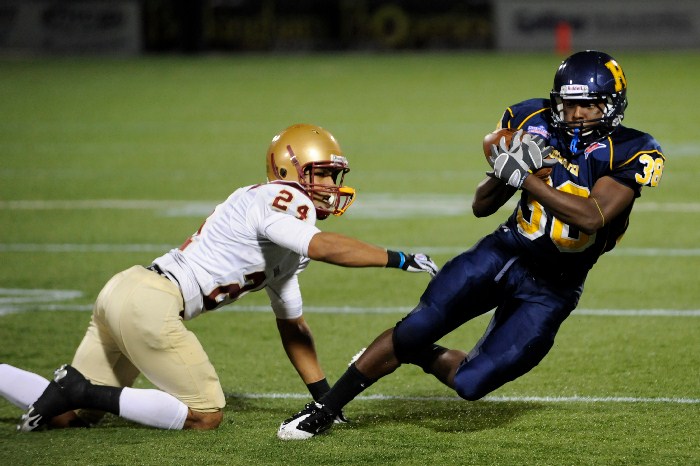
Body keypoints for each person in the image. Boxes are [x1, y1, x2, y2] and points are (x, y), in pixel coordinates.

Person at [277, 50, 666, 440]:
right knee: (416, 326)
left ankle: (416, 354)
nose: (577, 114)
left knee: (472, 383)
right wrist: (505, 171)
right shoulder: (532, 120)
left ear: (611, 105)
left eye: (588, 104)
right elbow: (481, 206)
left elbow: (592, 215)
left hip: (555, 287)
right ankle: (325, 409)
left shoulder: (633, 149)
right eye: (569, 104)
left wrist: (526, 179)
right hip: (506, 252)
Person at [1, 123, 437, 432]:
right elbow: (322, 247)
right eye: (320, 173)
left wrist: (325, 397)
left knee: (65, 418)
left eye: (331, 174)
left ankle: (73, 392)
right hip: (152, 304)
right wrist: (397, 258)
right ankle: (81, 388)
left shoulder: (284, 244)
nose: (328, 184)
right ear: (288, 171)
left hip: (125, 292)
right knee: (205, 414)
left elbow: (293, 327)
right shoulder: (281, 198)